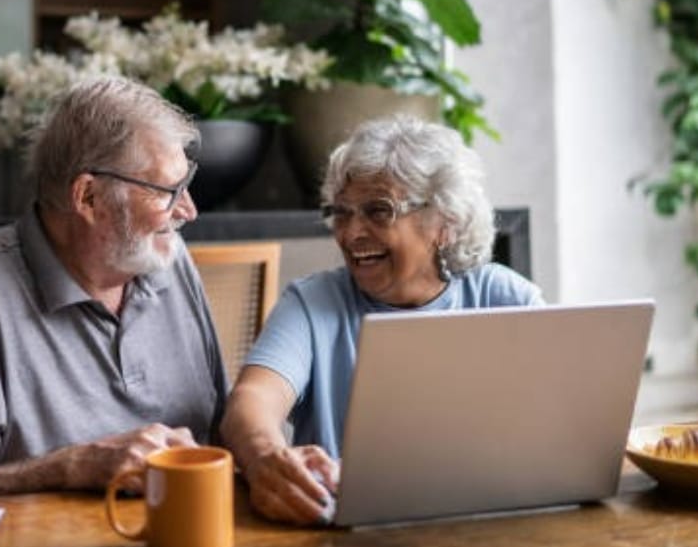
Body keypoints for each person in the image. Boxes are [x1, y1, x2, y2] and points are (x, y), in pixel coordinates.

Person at [0, 76, 227, 504]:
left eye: (187, 181)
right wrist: (69, 467)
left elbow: (220, 430)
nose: (189, 210)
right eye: (167, 190)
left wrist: (269, 450)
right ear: (88, 197)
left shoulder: (172, 261)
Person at [221, 116, 544, 525]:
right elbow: (250, 403)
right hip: (346, 532)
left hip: (487, 522)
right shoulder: (313, 304)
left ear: (445, 224)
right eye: (341, 213)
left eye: (378, 211)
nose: (352, 233)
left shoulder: (505, 298)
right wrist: (265, 457)